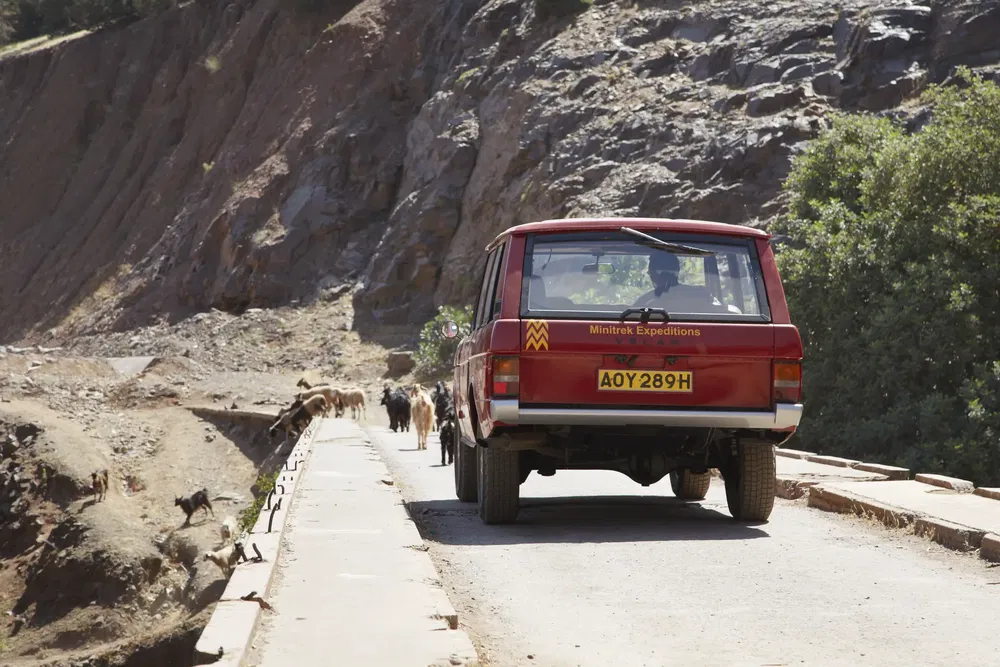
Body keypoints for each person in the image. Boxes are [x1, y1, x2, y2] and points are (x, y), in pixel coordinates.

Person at [633, 252, 730, 313]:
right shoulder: (701, 294)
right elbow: (726, 313)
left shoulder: (644, 302)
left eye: (650, 273)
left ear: (654, 274)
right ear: (678, 271)